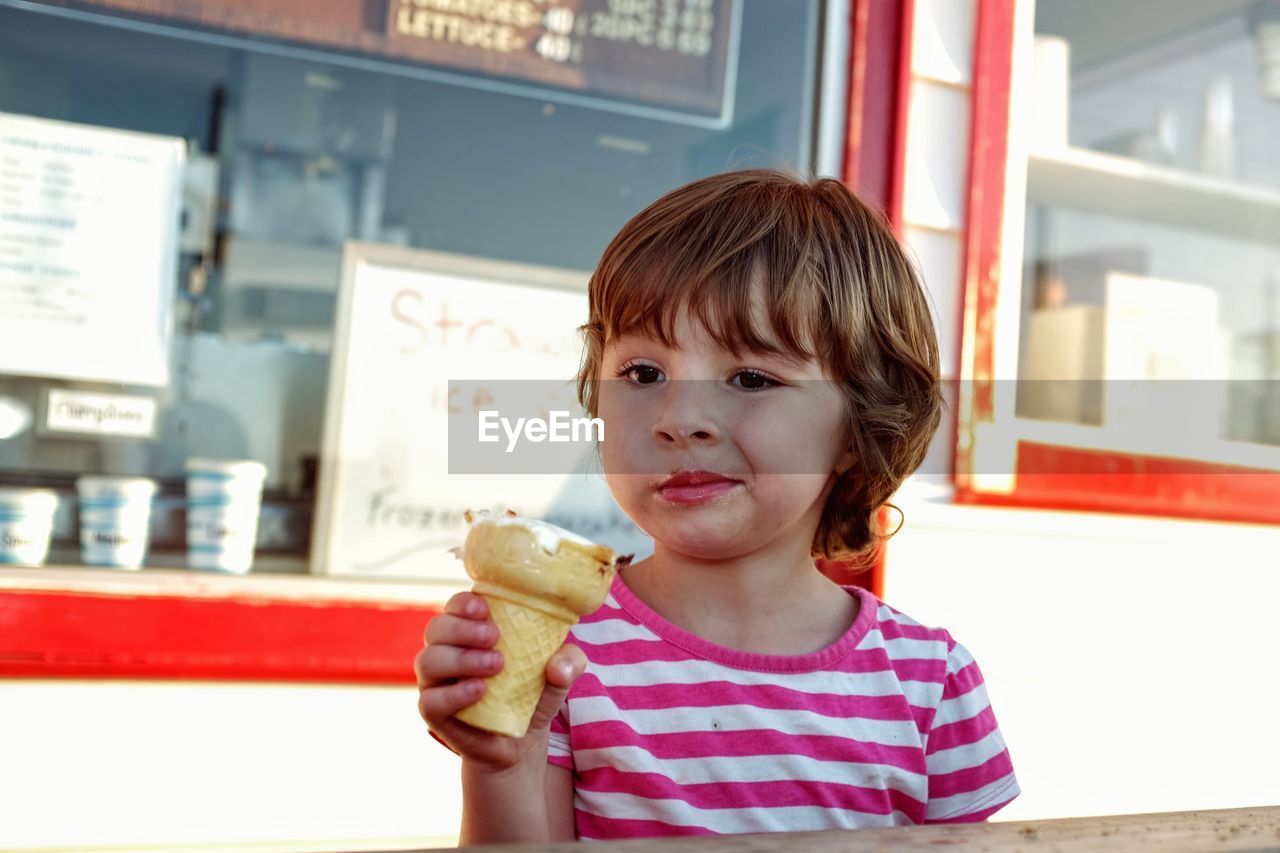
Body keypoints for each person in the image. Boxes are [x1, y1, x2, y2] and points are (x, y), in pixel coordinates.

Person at [415, 169, 1020, 842]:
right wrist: (504, 766)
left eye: (751, 377)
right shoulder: (564, 660)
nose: (681, 418)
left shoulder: (933, 683)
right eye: (642, 374)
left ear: (859, 427)